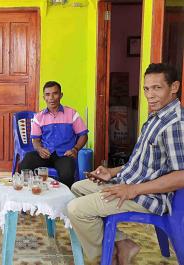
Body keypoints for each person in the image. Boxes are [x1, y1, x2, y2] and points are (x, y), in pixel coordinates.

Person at [67, 63, 184, 265]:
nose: (150, 95)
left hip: (148, 195)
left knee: (77, 210)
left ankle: (106, 258)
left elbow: (181, 176)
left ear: (174, 87)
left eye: (157, 88)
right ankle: (122, 243)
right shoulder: (157, 116)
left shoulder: (175, 124)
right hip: (130, 182)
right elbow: (144, 163)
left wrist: (134, 190)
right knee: (77, 188)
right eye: (147, 89)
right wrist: (111, 172)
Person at [19, 81, 88, 188]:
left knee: (67, 175)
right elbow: (36, 140)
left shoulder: (72, 114)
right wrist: (39, 149)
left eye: (55, 93)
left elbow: (83, 135)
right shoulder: (38, 117)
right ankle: (28, 197)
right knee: (26, 163)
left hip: (65, 155)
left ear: (61, 95)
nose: (51, 97)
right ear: (44, 97)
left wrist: (75, 149)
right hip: (45, 154)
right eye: (47, 94)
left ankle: (63, 200)